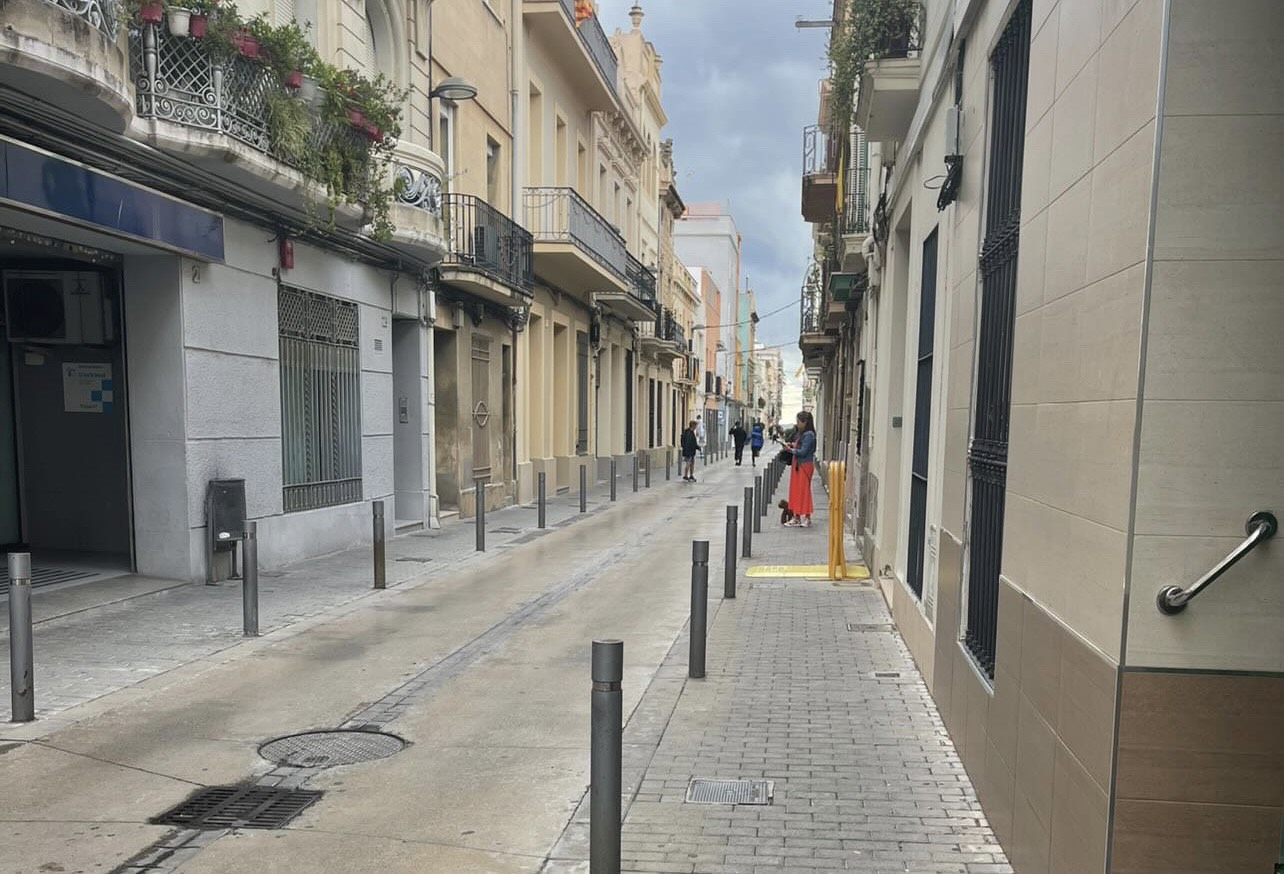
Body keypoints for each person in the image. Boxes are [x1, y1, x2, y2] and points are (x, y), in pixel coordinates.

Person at [785, 411, 816, 528]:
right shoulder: (803, 434)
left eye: (798, 421)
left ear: (805, 422)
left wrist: (790, 449)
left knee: (804, 491)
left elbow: (803, 451)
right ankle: (796, 516)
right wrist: (792, 445)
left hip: (804, 465)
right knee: (796, 490)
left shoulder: (809, 435)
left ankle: (807, 517)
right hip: (798, 465)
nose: (797, 424)